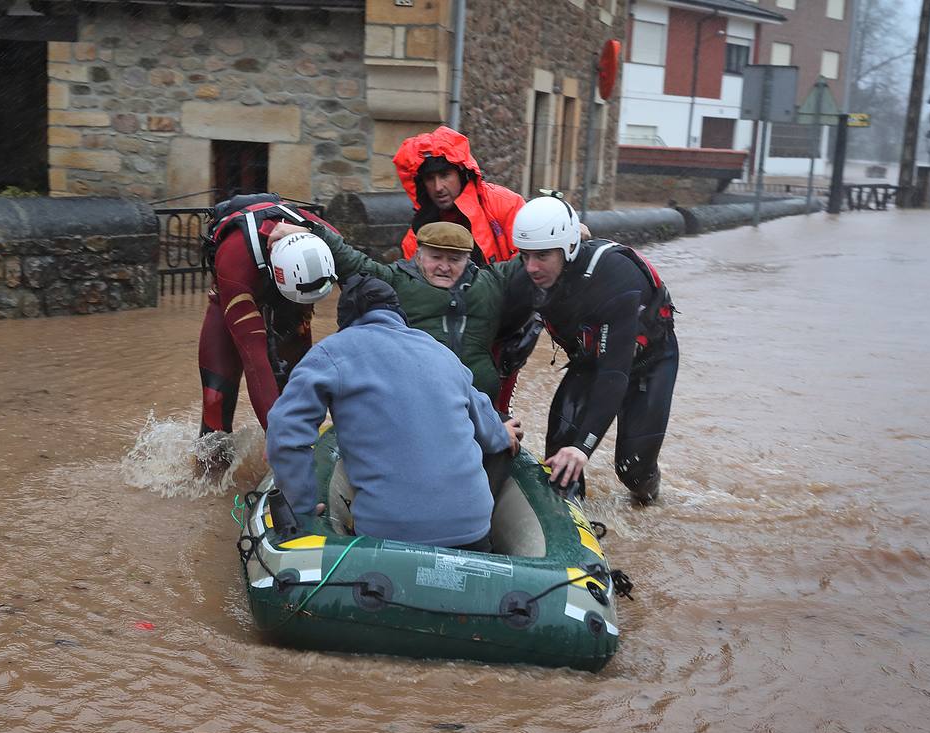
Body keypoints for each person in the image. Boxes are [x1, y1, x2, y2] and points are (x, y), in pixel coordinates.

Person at [266, 276, 522, 550]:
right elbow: (486, 423)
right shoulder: (440, 351)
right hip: (472, 531)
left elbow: (285, 431)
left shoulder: (331, 352)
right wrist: (501, 431)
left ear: (345, 320)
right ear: (399, 314)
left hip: (390, 537)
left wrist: (300, 508)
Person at [501, 196, 680, 503]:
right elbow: (498, 342)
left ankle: (651, 502)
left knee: (632, 470)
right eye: (525, 255)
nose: (531, 267)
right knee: (559, 457)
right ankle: (571, 516)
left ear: (568, 249)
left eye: (542, 256)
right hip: (589, 360)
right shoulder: (526, 278)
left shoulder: (616, 278)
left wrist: (583, 447)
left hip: (647, 365)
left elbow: (614, 374)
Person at [269, 218, 507, 402]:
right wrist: (312, 232)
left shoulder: (491, 283)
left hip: (479, 401)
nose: (444, 267)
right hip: (418, 403)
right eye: (436, 257)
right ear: (419, 255)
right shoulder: (394, 280)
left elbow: (529, 265)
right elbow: (352, 262)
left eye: (454, 259)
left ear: (468, 259)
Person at [197, 194, 338, 438]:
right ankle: (210, 470)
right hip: (233, 295)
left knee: (296, 384)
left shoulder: (328, 237)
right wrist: (279, 439)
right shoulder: (235, 261)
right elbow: (255, 361)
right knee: (216, 401)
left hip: (290, 299)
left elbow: (366, 289)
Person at [393, 126, 525, 266]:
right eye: (430, 178)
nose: (438, 187)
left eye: (445, 175)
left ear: (461, 174)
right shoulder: (416, 234)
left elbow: (526, 265)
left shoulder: (506, 204)